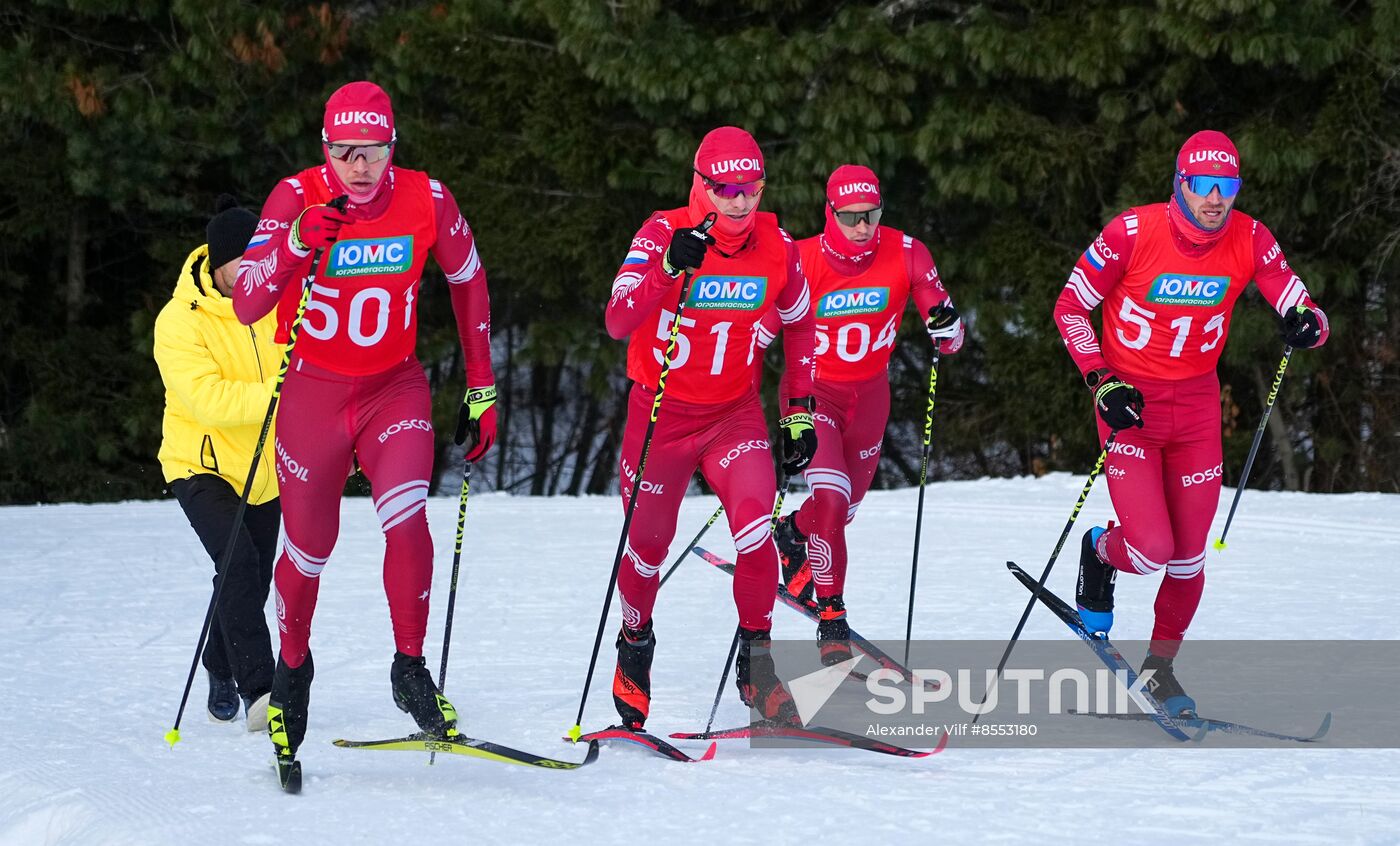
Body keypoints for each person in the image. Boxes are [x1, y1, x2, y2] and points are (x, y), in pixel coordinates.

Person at [233, 81, 498, 767]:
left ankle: (409, 667)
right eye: (345, 153)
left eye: (373, 152)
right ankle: (293, 670)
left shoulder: (427, 198)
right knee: (310, 548)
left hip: (393, 390)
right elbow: (249, 304)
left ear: (392, 149)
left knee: (407, 516)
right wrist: (293, 243)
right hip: (314, 396)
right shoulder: (295, 198)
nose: (359, 167)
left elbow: (468, 277)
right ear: (326, 151)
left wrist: (481, 384)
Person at [1052, 130, 1329, 716]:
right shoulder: (1132, 232)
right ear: (1180, 184)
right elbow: (1071, 306)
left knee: (1189, 555)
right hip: (1131, 404)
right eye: (1203, 185)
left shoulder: (1250, 236)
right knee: (1151, 550)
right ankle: (1100, 552)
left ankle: (1160, 669)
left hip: (1197, 407)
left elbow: (1294, 297)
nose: (1215, 199)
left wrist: (1308, 321)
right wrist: (1100, 378)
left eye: (1227, 186)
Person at [604, 126, 817, 728]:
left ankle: (758, 663)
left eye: (749, 189)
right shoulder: (659, 232)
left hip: (733, 415)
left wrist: (796, 406)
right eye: (724, 189)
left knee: (755, 533)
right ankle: (635, 645)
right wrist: (669, 267)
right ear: (700, 187)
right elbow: (619, 320)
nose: (738, 202)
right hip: (660, 416)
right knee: (646, 549)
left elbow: (800, 324)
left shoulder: (776, 244)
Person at [769, 165, 965, 665]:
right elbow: (762, 333)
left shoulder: (906, 252)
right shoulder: (801, 259)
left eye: (871, 215)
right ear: (830, 212)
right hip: (813, 394)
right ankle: (832, 616)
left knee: (843, 511)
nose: (862, 227)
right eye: (851, 216)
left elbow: (949, 330)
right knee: (832, 500)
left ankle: (793, 533)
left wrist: (946, 326)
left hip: (870, 397)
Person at [155, 195, 282, 731]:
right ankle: (263, 692)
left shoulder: (281, 304)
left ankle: (218, 664)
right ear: (218, 260)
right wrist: (284, 396)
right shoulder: (180, 322)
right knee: (239, 565)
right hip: (199, 464)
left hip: (265, 467)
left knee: (249, 578)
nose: (255, 268)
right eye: (244, 259)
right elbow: (209, 400)